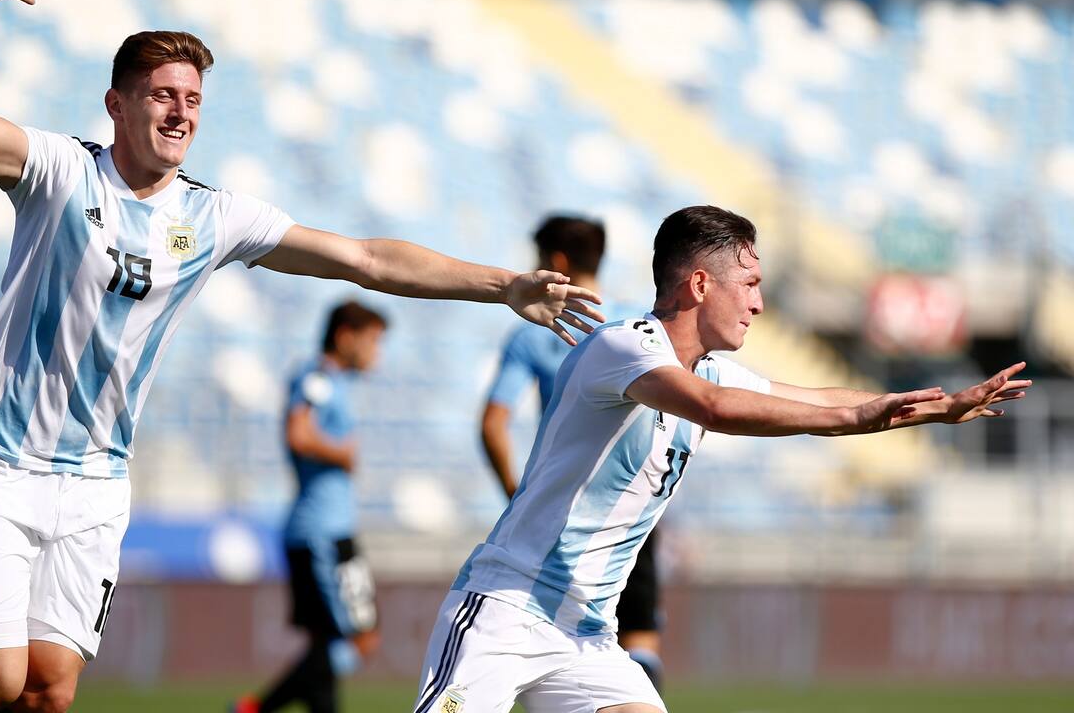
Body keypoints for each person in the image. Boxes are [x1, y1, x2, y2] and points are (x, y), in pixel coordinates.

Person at [0, 0, 601, 713]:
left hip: (94, 481)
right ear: (116, 105)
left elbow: (364, 259)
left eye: (192, 98)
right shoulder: (60, 171)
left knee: (48, 694)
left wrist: (501, 285)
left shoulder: (213, 217)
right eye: (161, 95)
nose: (180, 112)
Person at [413, 205, 1030, 713]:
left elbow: (818, 398)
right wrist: (857, 419)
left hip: (587, 635)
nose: (759, 304)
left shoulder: (706, 369)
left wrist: (939, 408)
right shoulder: (624, 346)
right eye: (751, 284)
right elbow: (716, 409)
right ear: (701, 285)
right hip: (508, 608)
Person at [481, 215, 665, 688]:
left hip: (562, 509)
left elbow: (493, 423)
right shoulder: (642, 324)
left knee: (546, 644)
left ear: (556, 261)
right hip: (631, 502)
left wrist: (515, 492)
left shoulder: (534, 331)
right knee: (638, 640)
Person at [234, 301, 387, 713]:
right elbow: (298, 434)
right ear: (345, 336)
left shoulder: (335, 381)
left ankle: (252, 709)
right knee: (357, 637)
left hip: (327, 529)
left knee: (329, 642)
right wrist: (342, 454)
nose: (377, 352)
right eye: (373, 340)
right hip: (322, 532)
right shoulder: (317, 377)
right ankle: (255, 708)